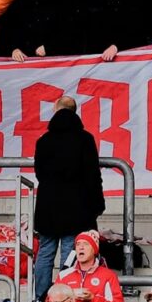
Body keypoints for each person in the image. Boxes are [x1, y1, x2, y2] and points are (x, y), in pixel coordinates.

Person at [31, 96, 105, 290]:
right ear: (75, 111)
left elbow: (39, 173)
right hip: (76, 207)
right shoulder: (85, 139)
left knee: (45, 252)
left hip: (48, 207)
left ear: (56, 109)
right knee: (69, 252)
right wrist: (97, 205)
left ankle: (40, 299)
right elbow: (93, 176)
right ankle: (64, 297)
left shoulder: (44, 141)